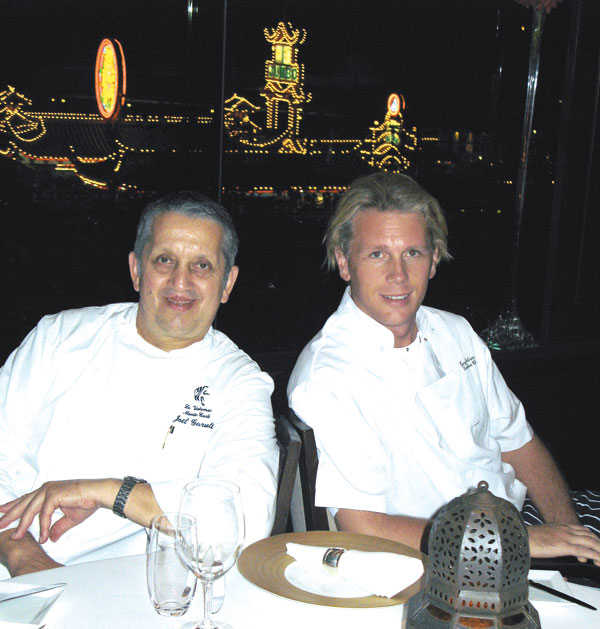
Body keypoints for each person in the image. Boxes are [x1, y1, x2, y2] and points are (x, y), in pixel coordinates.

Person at [288, 172, 600, 565]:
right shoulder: (328, 376)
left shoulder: (456, 332)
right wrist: (516, 542)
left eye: (413, 253)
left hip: (520, 527)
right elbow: (362, 525)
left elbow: (520, 443)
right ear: (343, 262)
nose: (398, 275)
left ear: (434, 260)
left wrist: (572, 544)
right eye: (377, 254)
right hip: (440, 562)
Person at [0, 191, 279, 578]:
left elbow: (243, 523)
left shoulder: (239, 381)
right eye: (164, 260)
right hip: (16, 568)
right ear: (136, 270)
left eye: (201, 265)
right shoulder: (59, 338)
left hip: (148, 592)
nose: (180, 281)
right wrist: (22, 556)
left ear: (227, 283)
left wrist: (109, 492)